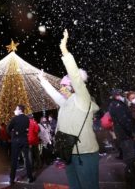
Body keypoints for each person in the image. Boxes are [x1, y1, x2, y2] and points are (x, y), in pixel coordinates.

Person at [38, 29, 100, 189]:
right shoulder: (66, 102)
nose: (61, 89)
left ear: (73, 87)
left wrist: (65, 51)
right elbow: (52, 94)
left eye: (64, 86)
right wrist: (42, 80)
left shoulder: (82, 99)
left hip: (84, 154)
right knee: (75, 185)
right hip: (68, 153)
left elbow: (76, 78)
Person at [108, 89, 135, 188]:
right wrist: (132, 132)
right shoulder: (117, 105)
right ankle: (132, 183)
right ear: (116, 96)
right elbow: (124, 120)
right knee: (129, 159)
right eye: (122, 95)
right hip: (124, 135)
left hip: (124, 134)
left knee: (130, 158)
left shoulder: (117, 104)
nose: (124, 96)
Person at [7, 105, 34, 185]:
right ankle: (30, 177)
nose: (15, 110)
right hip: (24, 140)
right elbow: (27, 129)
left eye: (16, 109)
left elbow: (8, 128)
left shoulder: (15, 118)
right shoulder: (27, 119)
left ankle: (12, 179)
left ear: (20, 110)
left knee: (14, 160)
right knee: (27, 159)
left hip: (16, 140)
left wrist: (12, 134)